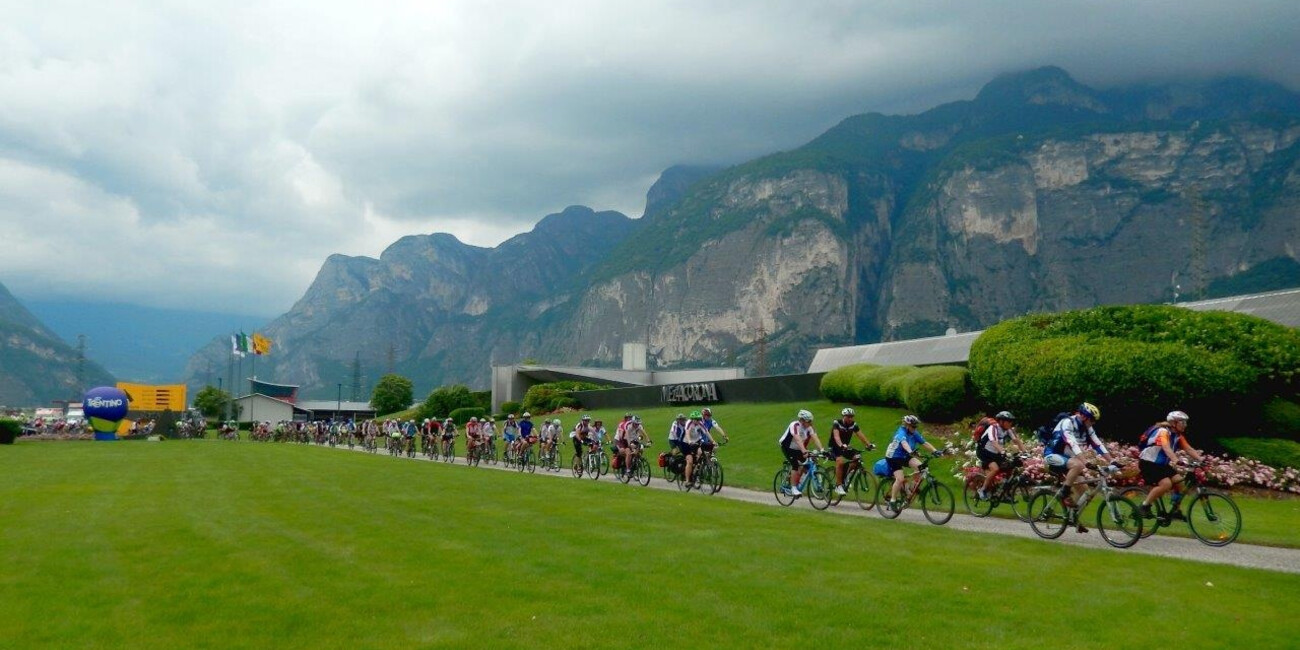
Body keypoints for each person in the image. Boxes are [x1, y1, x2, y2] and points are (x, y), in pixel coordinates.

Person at [1044, 402, 1118, 532]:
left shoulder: (1087, 427)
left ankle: (1073, 518)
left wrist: (1112, 461)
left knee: (1085, 491)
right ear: (1084, 416)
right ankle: (1064, 492)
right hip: (1052, 455)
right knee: (1078, 464)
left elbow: (1097, 443)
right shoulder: (1067, 422)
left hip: (1069, 461)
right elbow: (1071, 442)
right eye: (1092, 419)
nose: (1094, 423)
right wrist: (1085, 461)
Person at [1137, 411, 1204, 520]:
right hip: (1148, 463)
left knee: (1180, 483)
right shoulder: (1163, 431)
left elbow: (1188, 448)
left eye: (1186, 422)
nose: (1185, 425)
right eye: (1182, 422)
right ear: (1173, 423)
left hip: (1162, 465)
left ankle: (1175, 511)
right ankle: (1144, 506)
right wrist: (1176, 460)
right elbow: (1166, 447)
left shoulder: (1178, 435)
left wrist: (1201, 459)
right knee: (1166, 484)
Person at [884, 415, 941, 512]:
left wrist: (935, 451)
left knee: (921, 467)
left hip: (905, 455)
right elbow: (904, 443)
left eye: (916, 427)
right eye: (913, 427)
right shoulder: (901, 433)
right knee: (900, 478)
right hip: (894, 457)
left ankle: (911, 489)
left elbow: (924, 443)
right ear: (907, 425)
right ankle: (893, 500)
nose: (915, 429)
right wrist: (911, 451)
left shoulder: (914, 433)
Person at [977, 411, 1027, 501]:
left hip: (996, 453)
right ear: (1001, 421)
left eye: (1011, 421)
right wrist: (1003, 451)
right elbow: (994, 441)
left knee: (1010, 467)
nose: (1010, 423)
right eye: (1008, 421)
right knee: (995, 468)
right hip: (984, 452)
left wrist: (1025, 452)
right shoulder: (993, 428)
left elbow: (1016, 440)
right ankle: (982, 490)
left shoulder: (1008, 429)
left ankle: (1004, 494)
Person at [777, 409, 825, 497]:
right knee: (795, 465)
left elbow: (815, 438)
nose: (810, 423)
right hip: (788, 447)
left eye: (811, 421)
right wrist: (804, 451)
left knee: (807, 466)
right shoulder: (795, 425)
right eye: (809, 421)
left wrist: (822, 450)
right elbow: (797, 439)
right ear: (802, 420)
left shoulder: (809, 427)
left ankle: (796, 481)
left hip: (798, 448)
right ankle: (793, 488)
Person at [829, 407, 875, 496]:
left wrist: (868, 444)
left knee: (857, 457)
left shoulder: (853, 425)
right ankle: (838, 486)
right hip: (835, 447)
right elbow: (836, 436)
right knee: (840, 461)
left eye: (851, 417)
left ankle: (845, 477)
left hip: (845, 447)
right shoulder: (837, 423)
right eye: (848, 416)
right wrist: (841, 444)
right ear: (844, 416)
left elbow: (860, 435)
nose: (850, 418)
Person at [681, 411, 710, 488]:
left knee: (701, 453)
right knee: (690, 461)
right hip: (686, 443)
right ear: (692, 419)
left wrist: (713, 441)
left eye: (699, 419)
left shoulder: (700, 423)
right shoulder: (689, 423)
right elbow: (687, 432)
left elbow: (706, 432)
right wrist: (690, 441)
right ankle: (687, 481)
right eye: (696, 419)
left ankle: (697, 470)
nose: (697, 421)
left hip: (697, 441)